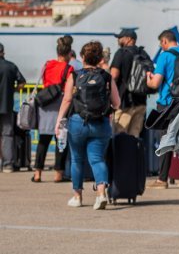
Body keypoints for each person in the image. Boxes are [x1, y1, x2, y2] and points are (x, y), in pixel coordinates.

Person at [55, 41, 121, 209]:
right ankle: (101, 194)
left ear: (83, 57)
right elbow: (117, 103)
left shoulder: (75, 76)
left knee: (77, 159)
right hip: (100, 123)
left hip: (78, 122)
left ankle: (77, 197)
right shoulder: (106, 76)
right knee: (97, 159)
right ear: (100, 58)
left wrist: (59, 121)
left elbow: (67, 100)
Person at [146, 29, 179, 189]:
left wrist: (148, 80)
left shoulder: (165, 56)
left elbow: (155, 83)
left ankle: (162, 179)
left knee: (165, 139)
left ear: (164, 42)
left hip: (167, 103)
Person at [32, 36, 74, 182]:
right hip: (61, 104)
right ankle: (58, 174)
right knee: (60, 141)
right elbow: (70, 87)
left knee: (43, 140)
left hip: (45, 104)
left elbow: (44, 82)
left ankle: (37, 173)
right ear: (69, 54)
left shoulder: (47, 64)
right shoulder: (69, 68)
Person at [109, 28, 150, 138]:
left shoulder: (121, 53)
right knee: (134, 137)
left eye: (120, 38)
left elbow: (114, 75)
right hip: (141, 102)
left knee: (120, 135)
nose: (118, 40)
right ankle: (132, 155)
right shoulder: (143, 53)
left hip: (124, 103)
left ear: (128, 39)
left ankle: (123, 156)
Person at [0, 44, 26, 173]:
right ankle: (7, 164)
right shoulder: (10, 66)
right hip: (6, 105)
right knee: (7, 135)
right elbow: (22, 82)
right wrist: (13, 90)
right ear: (3, 52)